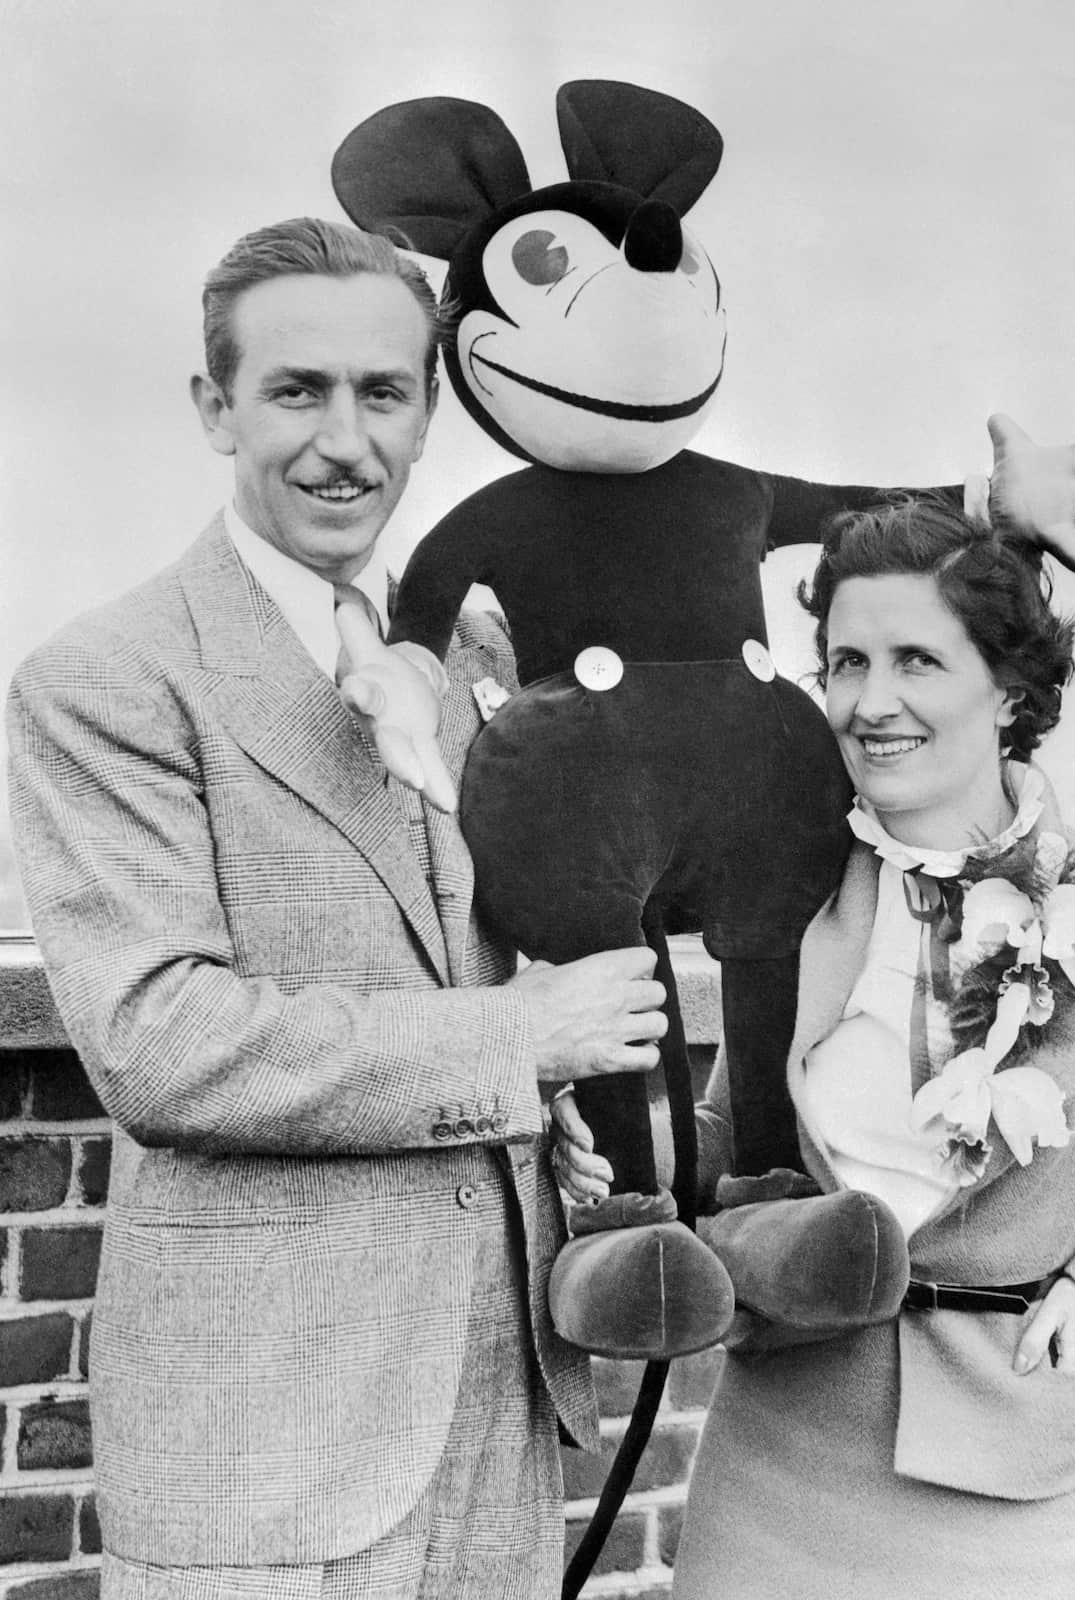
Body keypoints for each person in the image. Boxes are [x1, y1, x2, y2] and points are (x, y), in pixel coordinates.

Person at [5, 216, 670, 1600]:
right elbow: (161, 1040)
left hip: (496, 1422)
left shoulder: (472, 653)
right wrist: (515, 1043)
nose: (344, 440)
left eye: (384, 393)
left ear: (429, 409)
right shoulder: (109, 680)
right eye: (296, 390)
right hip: (265, 1460)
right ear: (214, 408)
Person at [554, 493, 1075, 1598]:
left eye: (915, 661)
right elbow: (727, 1134)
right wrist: (610, 1161)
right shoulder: (786, 890)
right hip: (778, 1449)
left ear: (1010, 691)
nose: (869, 701)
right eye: (844, 661)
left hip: (1002, 1473)